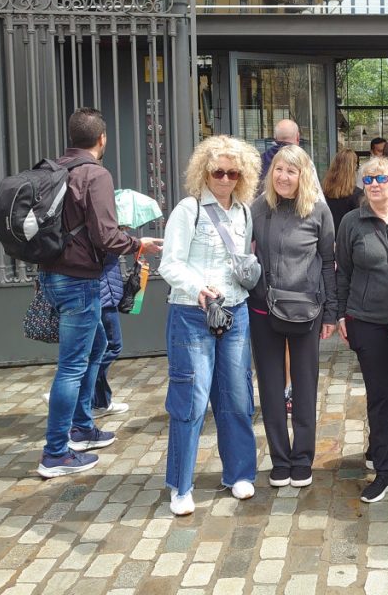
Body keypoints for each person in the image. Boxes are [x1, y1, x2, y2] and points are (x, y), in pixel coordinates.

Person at [36, 107, 161, 479]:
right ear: (102, 138)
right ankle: (56, 451)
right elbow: (106, 235)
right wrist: (139, 244)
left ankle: (83, 427)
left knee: (96, 348)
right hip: (79, 282)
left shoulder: (52, 171)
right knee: (73, 364)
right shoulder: (95, 174)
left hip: (52, 276)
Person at [158, 135, 262, 516]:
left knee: (236, 395)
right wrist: (199, 287)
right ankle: (181, 485)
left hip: (235, 311)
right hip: (192, 313)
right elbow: (170, 263)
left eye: (233, 173)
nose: (225, 178)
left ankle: (238, 472)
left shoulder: (244, 212)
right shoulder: (189, 211)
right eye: (218, 171)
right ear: (204, 171)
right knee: (191, 398)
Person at [250, 145, 338, 489]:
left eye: (292, 171)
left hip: (308, 311)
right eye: (279, 171)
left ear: (303, 175)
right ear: (271, 174)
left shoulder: (318, 211)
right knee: (271, 389)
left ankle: (302, 458)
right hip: (262, 310)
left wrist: (331, 312)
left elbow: (329, 264)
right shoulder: (257, 209)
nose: (284, 177)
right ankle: (279, 459)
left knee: (304, 387)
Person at [335, 156, 388, 503]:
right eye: (368, 180)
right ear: (362, 186)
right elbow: (343, 272)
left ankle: (376, 445)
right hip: (365, 318)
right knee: (380, 391)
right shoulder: (353, 221)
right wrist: (340, 313)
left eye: (382, 178)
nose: (376, 185)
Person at [92, 253, 128, 416]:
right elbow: (105, 249)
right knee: (112, 346)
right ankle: (75, 389)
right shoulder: (100, 230)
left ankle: (101, 402)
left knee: (98, 350)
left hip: (103, 292)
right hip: (103, 294)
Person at [323, 148, 363, 233]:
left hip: (329, 236)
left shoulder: (325, 191)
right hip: (348, 239)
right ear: (353, 167)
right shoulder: (357, 194)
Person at [260, 118, 301, 187]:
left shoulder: (262, 159)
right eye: (279, 169)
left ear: (275, 138)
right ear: (298, 137)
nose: (283, 178)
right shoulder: (303, 160)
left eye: (291, 171)